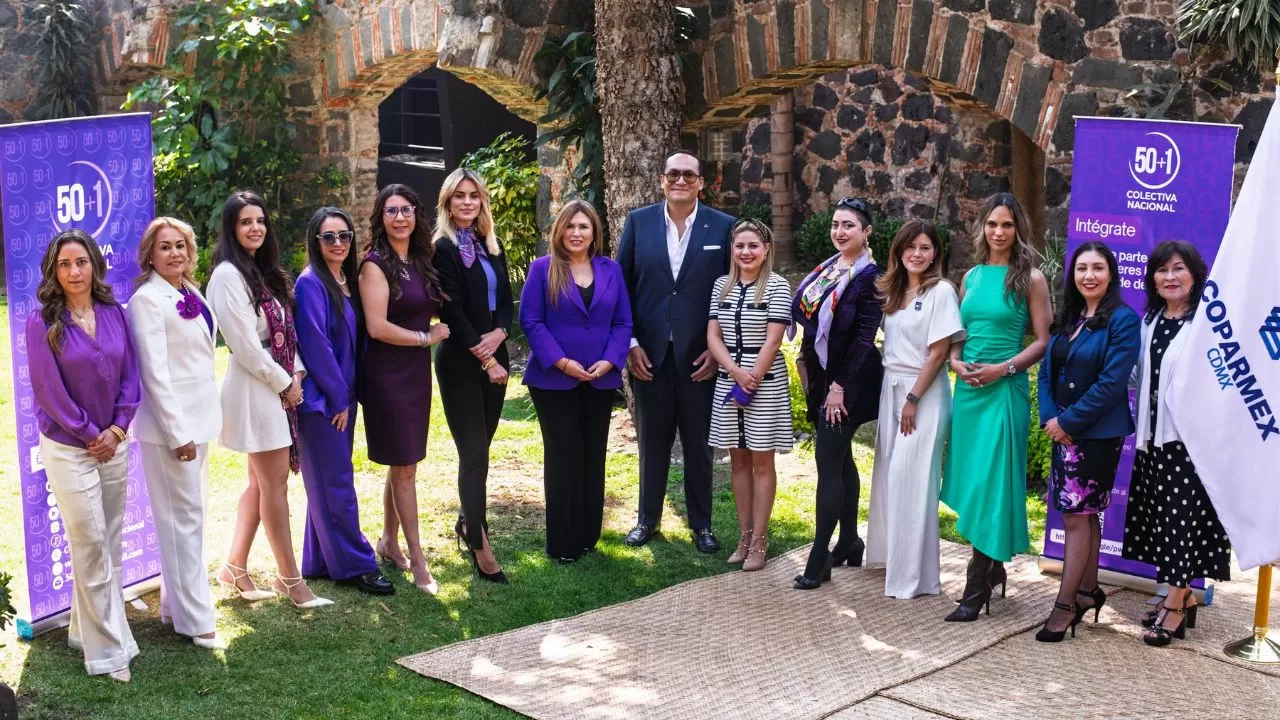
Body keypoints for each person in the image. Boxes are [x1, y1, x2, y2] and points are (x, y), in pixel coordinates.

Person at [207, 190, 332, 609]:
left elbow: (283, 332)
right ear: (231, 229)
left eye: (260, 220)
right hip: (254, 390)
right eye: (245, 221)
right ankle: (290, 580)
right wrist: (284, 383)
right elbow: (245, 344)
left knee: (259, 483)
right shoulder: (227, 276)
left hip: (275, 381)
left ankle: (234, 566)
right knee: (274, 485)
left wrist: (296, 371)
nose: (255, 227)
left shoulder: (260, 271)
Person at [27, 229, 140, 682]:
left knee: (107, 541)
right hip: (69, 448)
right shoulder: (42, 321)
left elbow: (132, 376)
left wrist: (116, 429)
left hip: (114, 441)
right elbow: (48, 391)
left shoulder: (115, 313)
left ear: (95, 264)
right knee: (91, 543)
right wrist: (92, 434)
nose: (74, 272)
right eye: (64, 264)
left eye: (81, 262)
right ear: (54, 272)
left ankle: (81, 628)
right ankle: (109, 652)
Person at [941, 192, 1052, 622]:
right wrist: (955, 362)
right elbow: (959, 333)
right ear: (982, 227)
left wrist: (1002, 369)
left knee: (994, 482)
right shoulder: (970, 277)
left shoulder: (1031, 279)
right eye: (992, 224)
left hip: (1004, 390)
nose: (999, 232)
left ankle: (977, 583)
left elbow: (1042, 341)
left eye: (1006, 224)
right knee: (974, 480)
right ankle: (995, 567)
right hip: (969, 392)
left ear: (1018, 228)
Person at [616, 149, 734, 553]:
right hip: (648, 357)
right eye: (673, 174)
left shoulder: (723, 227)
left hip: (701, 358)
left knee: (700, 446)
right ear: (662, 180)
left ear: (701, 183)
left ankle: (702, 526)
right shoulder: (638, 222)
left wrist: (717, 351)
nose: (680, 180)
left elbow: (731, 292)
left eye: (688, 175)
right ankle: (647, 520)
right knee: (652, 444)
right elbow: (621, 288)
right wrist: (630, 344)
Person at [1123, 240, 1230, 646]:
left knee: (1179, 522)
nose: (1170, 277)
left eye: (1178, 268)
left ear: (1195, 275)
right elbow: (1137, 375)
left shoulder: (1206, 324)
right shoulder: (1150, 320)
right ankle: (1181, 596)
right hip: (1152, 441)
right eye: (1162, 270)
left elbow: (1220, 383)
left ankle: (1175, 604)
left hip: (1188, 445)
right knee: (1162, 521)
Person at [127, 218, 225, 651]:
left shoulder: (190, 291)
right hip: (173, 430)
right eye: (165, 247)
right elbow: (154, 375)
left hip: (199, 421)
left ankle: (174, 607)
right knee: (183, 522)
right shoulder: (147, 300)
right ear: (150, 255)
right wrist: (177, 433)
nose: (175, 253)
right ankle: (197, 620)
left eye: (181, 245)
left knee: (188, 518)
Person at [1034, 241, 1140, 641]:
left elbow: (1113, 382)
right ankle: (1087, 591)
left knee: (1077, 517)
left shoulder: (1123, 320)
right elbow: (1047, 372)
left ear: (1111, 274)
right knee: (1083, 514)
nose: (1089, 275)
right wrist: (1051, 419)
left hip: (1095, 434)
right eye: (1082, 268)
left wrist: (1069, 422)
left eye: (1097, 268)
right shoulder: (1070, 317)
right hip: (1062, 430)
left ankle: (1065, 605)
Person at [520, 200, 632, 564]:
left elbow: (623, 322)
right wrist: (563, 362)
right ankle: (563, 543)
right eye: (570, 226)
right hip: (553, 380)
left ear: (594, 231)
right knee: (564, 455)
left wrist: (610, 360)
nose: (576, 233)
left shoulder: (611, 270)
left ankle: (587, 537)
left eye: (583, 226)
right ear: (559, 231)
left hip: (599, 378)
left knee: (592, 455)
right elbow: (531, 321)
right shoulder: (542, 269)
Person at [295, 207, 394, 596]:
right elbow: (316, 345)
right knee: (336, 482)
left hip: (344, 397)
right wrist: (338, 400)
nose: (338, 243)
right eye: (329, 236)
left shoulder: (346, 281)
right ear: (315, 241)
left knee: (326, 479)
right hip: (324, 402)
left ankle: (319, 559)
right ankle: (357, 564)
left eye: (344, 235)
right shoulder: (310, 284)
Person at [865, 220, 964, 599]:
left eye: (925, 247)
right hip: (892, 388)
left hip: (922, 394)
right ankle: (894, 560)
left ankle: (915, 578)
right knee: (890, 478)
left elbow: (938, 352)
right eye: (911, 247)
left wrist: (913, 399)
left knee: (912, 480)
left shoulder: (941, 292)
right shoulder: (894, 290)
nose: (917, 254)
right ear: (899, 250)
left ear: (936, 252)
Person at [359, 184, 450, 595]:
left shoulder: (420, 258)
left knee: (403, 463)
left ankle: (389, 542)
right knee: (406, 466)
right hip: (387, 375)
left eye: (407, 209)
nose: (400, 217)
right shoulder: (374, 265)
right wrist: (425, 338)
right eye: (391, 211)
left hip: (415, 373)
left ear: (417, 214)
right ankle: (418, 559)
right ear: (381, 218)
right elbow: (377, 327)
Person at [790, 197, 884, 589]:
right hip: (821, 376)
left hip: (851, 383)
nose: (840, 232)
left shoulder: (870, 278)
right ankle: (849, 540)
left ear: (866, 232)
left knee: (828, 463)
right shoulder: (829, 269)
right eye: (835, 224)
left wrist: (838, 388)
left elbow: (864, 339)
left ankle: (820, 555)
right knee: (841, 457)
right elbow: (811, 320)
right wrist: (805, 360)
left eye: (849, 225)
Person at [434, 168, 514, 583]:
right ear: (448, 203)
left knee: (483, 447)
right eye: (459, 196)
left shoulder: (491, 245)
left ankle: (468, 521)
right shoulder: (443, 248)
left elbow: (507, 301)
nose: (467, 202)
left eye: (474, 195)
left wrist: (500, 335)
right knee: (474, 454)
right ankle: (480, 546)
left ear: (482, 201)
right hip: (461, 363)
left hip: (494, 355)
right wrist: (487, 359)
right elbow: (452, 310)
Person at [705, 218, 793, 572]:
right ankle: (743, 537)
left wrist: (752, 377)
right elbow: (713, 336)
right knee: (738, 461)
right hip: (730, 380)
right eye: (740, 246)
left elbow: (773, 340)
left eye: (753, 246)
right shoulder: (721, 285)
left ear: (766, 249)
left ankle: (760, 540)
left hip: (764, 383)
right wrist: (735, 372)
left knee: (761, 462)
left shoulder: (777, 286)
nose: (746, 252)